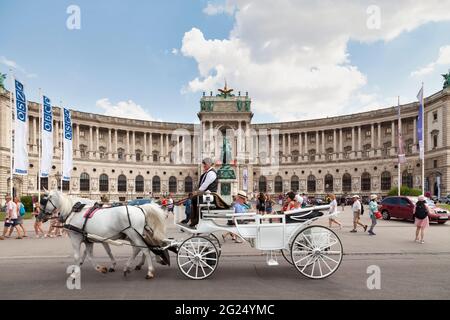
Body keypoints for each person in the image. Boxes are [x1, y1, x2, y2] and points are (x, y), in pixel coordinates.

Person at [187, 157, 219, 227]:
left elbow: (205, 184)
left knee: (194, 199)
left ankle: (195, 220)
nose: (203, 166)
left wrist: (198, 191)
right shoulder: (208, 172)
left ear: (209, 164)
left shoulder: (211, 173)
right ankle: (194, 219)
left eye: (205, 164)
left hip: (209, 195)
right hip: (206, 194)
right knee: (194, 199)